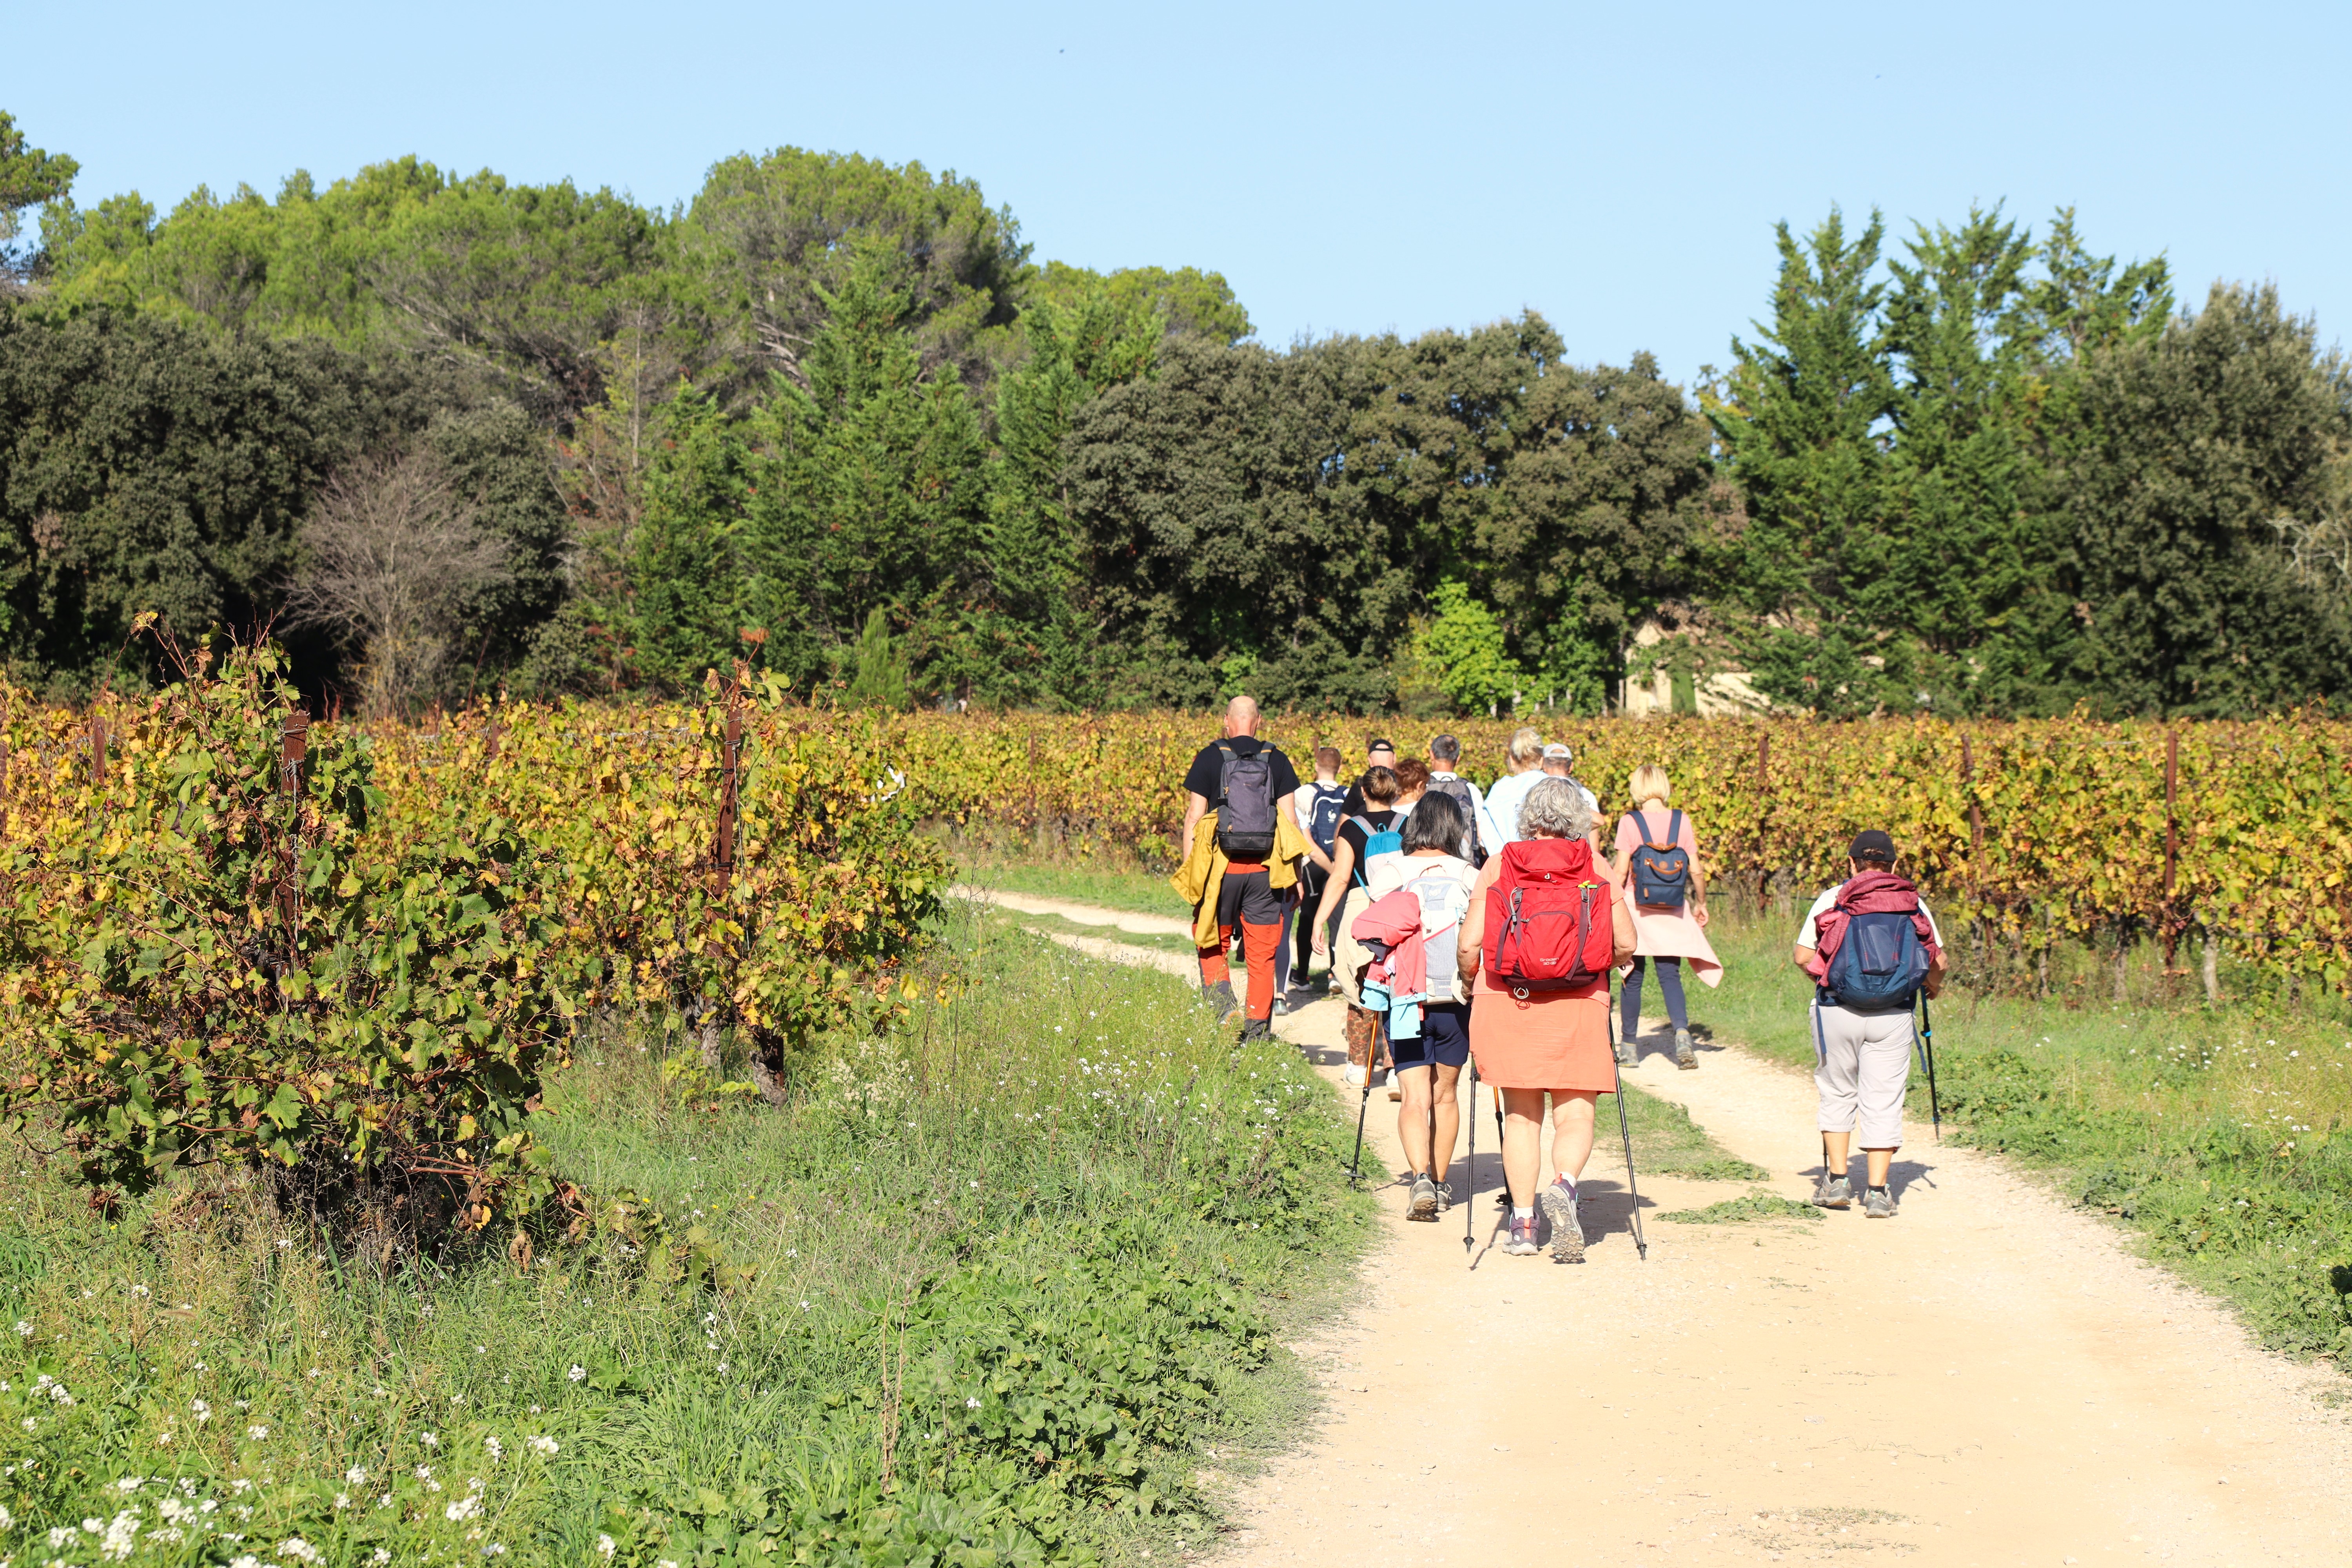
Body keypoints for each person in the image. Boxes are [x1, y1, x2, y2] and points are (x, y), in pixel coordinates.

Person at [1455, 778, 1636, 1261]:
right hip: (1579, 1000)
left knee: (1521, 1116)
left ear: (1527, 817)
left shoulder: (1499, 864)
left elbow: (1471, 944)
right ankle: (1566, 1186)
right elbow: (1626, 943)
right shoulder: (1594, 866)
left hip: (1509, 998)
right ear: (1576, 818)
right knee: (1576, 1112)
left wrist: (1468, 976)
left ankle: (1522, 1223)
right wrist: (1604, 963)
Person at [1791, 829, 1947, 1218]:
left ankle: (1838, 1183)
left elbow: (1801, 955)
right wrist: (1933, 987)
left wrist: (1824, 976)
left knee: (1838, 1092)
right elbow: (1938, 962)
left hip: (1836, 1009)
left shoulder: (1834, 897)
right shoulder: (1912, 902)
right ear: (1894, 865)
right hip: (1894, 1013)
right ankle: (1878, 1193)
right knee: (1884, 1097)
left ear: (1851, 863)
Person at [1348, 793, 1477, 1221]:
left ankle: (1419, 1177)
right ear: (1455, 828)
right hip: (1455, 1000)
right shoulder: (1470, 876)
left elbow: (1372, 932)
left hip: (1405, 999)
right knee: (1446, 1095)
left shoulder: (1390, 873)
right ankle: (1441, 1184)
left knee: (1414, 1098)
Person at [1174, 696, 1313, 1040]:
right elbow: (1290, 821)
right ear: (1258, 722)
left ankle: (1225, 1011)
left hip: (1221, 871)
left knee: (1212, 941)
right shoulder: (1276, 759)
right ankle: (1255, 1032)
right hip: (1266, 872)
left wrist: (1195, 872)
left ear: (1226, 721)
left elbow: (1194, 816)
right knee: (1263, 955)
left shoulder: (1209, 757)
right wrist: (1294, 874)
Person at [1610, 764, 1724, 1071]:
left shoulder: (1630, 822)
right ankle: (1684, 1038)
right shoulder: (1681, 821)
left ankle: (1630, 1048)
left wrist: (1610, 904)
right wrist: (1701, 902)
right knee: (1670, 977)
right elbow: (1696, 869)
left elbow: (1621, 871)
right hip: (1673, 909)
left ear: (1637, 788)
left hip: (1637, 909)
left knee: (1632, 979)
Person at [1312, 765, 1405, 1090]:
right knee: (1398, 990)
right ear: (1395, 792)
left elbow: (1340, 878)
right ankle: (1396, 1067)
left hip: (1361, 909)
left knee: (1360, 988)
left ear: (1363, 793)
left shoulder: (1351, 829)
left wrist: (1319, 919)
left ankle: (1358, 1064)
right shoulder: (1408, 825)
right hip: (1399, 911)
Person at [1294, 747, 1350, 993]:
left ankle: (1303, 975)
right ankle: (1335, 974)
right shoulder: (1348, 794)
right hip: (1339, 864)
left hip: (1311, 865)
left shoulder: (1303, 793)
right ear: (1340, 767)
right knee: (1337, 920)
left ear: (1317, 765)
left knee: (1308, 918)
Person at [1425, 734, 1499, 863]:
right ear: (1458, 759)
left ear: (1432, 754)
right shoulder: (1471, 790)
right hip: (1463, 865)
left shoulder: (1420, 787)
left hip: (1427, 863)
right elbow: (1481, 836)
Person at [1483, 727, 1547, 848]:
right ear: (1541, 760)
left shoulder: (1498, 790)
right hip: (1551, 862)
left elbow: (1487, 839)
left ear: (1512, 760)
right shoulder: (1555, 786)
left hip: (1507, 863)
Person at [1340, 737, 1400, 817]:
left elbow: (1345, 819)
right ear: (1394, 758)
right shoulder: (1406, 782)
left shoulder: (1361, 784)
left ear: (1370, 760)